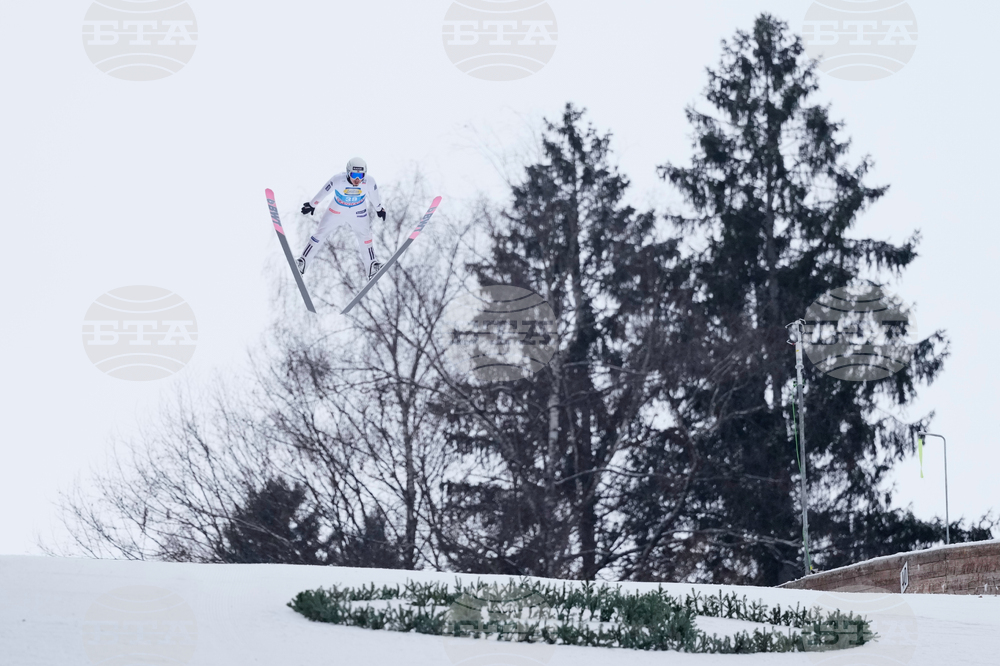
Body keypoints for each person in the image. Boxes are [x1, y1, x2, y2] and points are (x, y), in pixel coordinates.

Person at [297, 157, 386, 280]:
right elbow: (324, 191)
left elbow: (375, 197)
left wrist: (379, 209)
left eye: (361, 175)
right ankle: (302, 262)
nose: (357, 179)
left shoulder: (369, 181)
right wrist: (313, 204)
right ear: (348, 172)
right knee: (320, 234)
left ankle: (371, 266)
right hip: (336, 211)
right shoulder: (338, 179)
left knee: (365, 237)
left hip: (358, 212)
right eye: (354, 174)